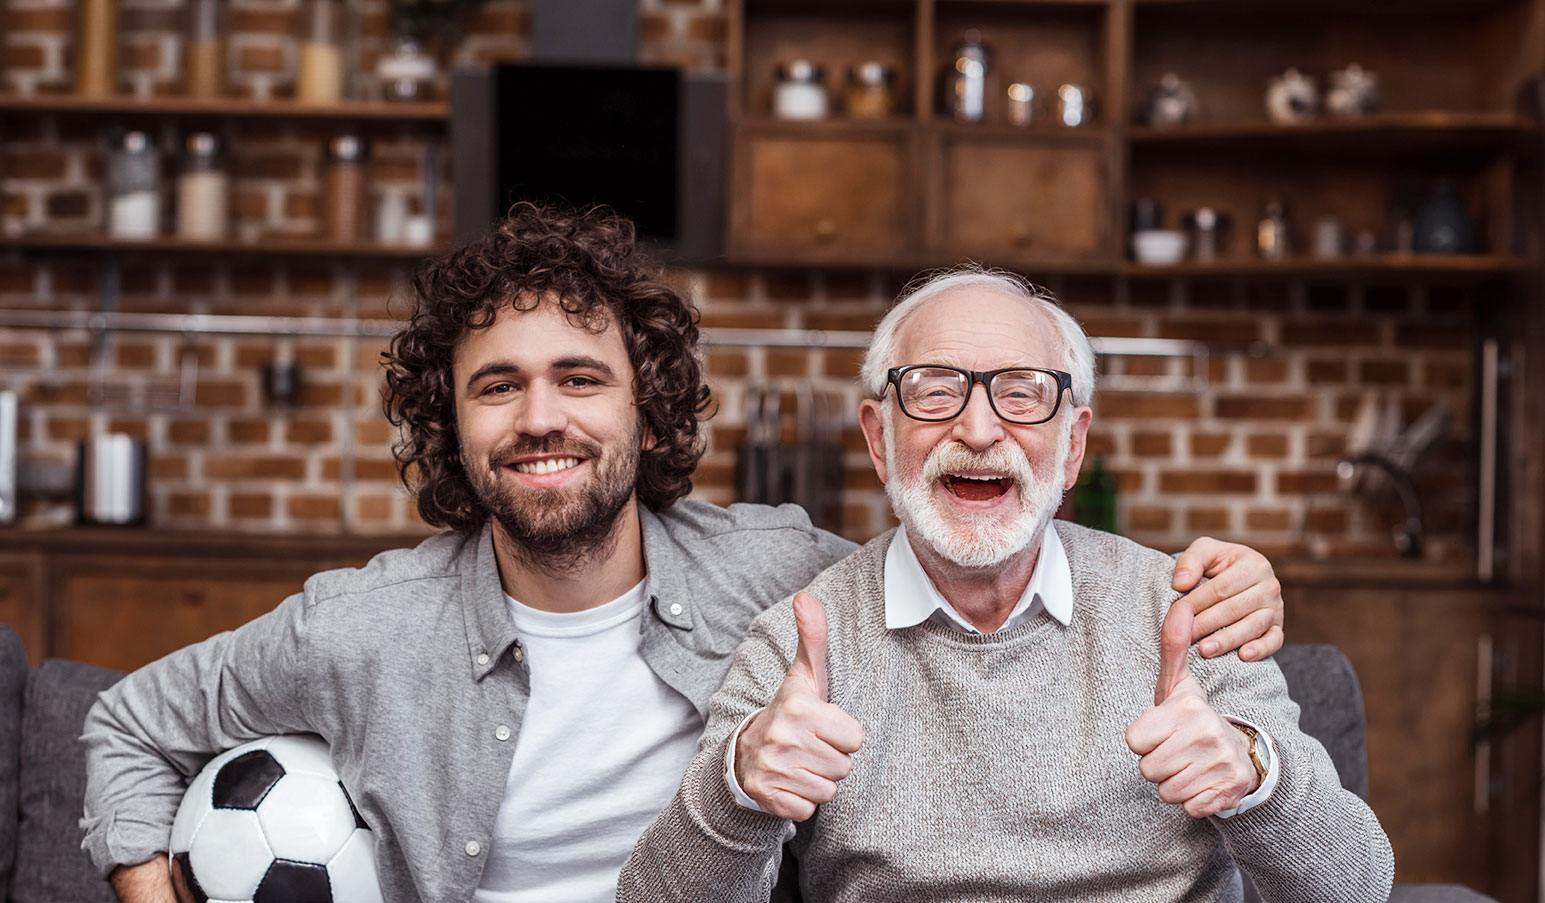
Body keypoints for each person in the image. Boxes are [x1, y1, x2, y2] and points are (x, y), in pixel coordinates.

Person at [82, 206, 1289, 903]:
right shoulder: (360, 626)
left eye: (580, 380)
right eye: (497, 388)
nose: (540, 417)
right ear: (453, 427)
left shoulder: (785, 579)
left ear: (646, 414)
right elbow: (128, 726)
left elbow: (967, 549)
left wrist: (1224, 582)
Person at [618, 267, 1394, 902]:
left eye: (1021, 392)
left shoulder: (1184, 612)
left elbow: (1355, 886)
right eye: (932, 390)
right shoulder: (801, 641)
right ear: (879, 439)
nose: (980, 428)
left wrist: (1255, 779)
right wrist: (737, 788)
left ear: (1072, 443)